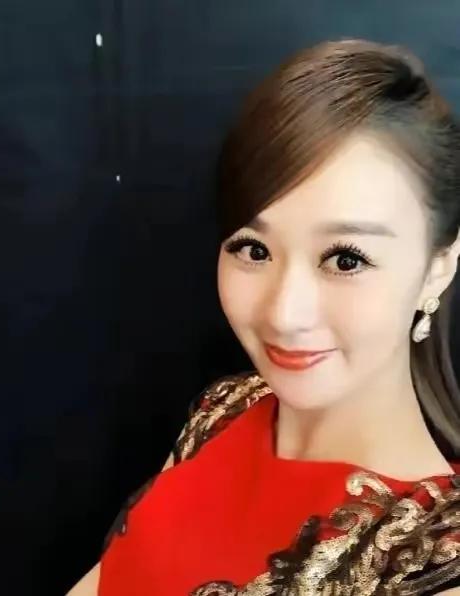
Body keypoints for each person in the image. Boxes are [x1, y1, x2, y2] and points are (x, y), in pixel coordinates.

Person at [68, 39, 460, 595]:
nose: (284, 313)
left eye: (346, 259)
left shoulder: (431, 562)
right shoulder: (226, 409)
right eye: (253, 249)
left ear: (438, 267)